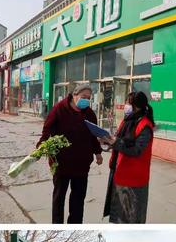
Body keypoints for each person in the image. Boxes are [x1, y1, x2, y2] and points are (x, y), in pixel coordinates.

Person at [36, 83, 103, 224]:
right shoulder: (59, 109)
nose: (86, 100)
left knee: (78, 199)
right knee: (59, 197)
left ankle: (75, 224)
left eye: (89, 98)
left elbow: (93, 135)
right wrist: (40, 146)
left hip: (81, 164)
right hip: (61, 163)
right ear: (74, 95)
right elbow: (47, 129)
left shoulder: (89, 113)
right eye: (84, 97)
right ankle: (57, 225)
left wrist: (98, 153)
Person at [101, 91, 155, 224]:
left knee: (131, 217)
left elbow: (137, 150)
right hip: (119, 174)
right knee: (117, 216)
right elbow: (120, 141)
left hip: (133, 180)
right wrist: (107, 141)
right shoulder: (127, 121)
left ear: (136, 106)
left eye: (128, 102)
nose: (125, 105)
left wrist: (115, 142)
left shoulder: (145, 125)